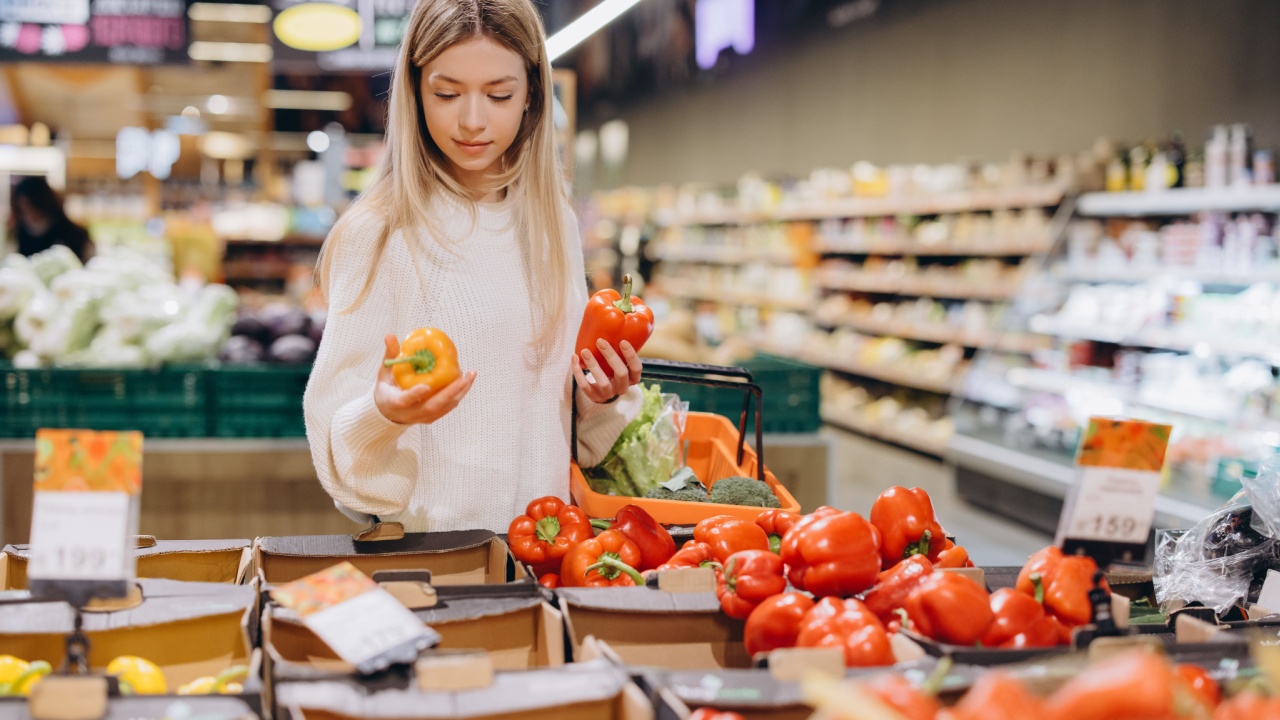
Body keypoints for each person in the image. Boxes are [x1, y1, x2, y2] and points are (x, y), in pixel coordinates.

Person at [304, 0, 643, 533]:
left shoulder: (551, 220)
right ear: (415, 91)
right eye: (446, 93)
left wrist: (602, 394)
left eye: (499, 94)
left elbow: (562, 419)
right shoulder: (379, 231)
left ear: (532, 93)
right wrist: (384, 414)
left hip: (546, 551)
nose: (472, 120)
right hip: (437, 566)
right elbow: (336, 443)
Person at [9, 176, 92, 262]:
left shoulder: (70, 232)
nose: (29, 214)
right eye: (23, 209)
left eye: (32, 207)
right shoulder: (20, 232)